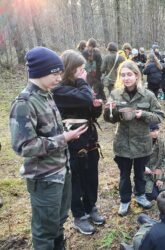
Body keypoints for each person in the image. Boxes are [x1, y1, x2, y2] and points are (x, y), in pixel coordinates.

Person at [9, 47, 87, 249]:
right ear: (39, 72)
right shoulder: (24, 103)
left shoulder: (46, 95)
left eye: (60, 73)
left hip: (62, 171)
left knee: (58, 222)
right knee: (45, 231)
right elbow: (24, 147)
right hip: (44, 178)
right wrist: (64, 137)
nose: (59, 78)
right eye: (55, 73)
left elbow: (48, 131)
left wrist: (65, 128)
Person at [52, 50, 105, 235]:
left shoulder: (81, 86)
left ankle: (91, 207)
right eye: (80, 69)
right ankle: (79, 215)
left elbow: (89, 109)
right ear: (70, 69)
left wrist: (96, 107)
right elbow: (83, 98)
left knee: (92, 176)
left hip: (89, 138)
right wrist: (85, 85)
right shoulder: (59, 90)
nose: (84, 72)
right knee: (76, 179)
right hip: (72, 142)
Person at [103, 61, 164, 216]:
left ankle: (140, 195)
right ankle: (124, 201)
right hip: (122, 142)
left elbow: (159, 116)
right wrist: (110, 111)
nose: (126, 78)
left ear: (137, 75)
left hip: (142, 143)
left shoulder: (148, 95)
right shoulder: (115, 94)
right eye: (123, 75)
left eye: (129, 74)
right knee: (124, 175)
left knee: (140, 173)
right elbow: (109, 119)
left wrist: (142, 114)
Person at [144, 124, 165, 201]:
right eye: (152, 131)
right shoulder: (142, 142)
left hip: (158, 171)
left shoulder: (161, 141)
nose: (156, 133)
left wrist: (161, 178)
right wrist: (143, 167)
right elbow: (135, 161)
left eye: (157, 130)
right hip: (145, 174)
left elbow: (164, 160)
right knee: (153, 195)